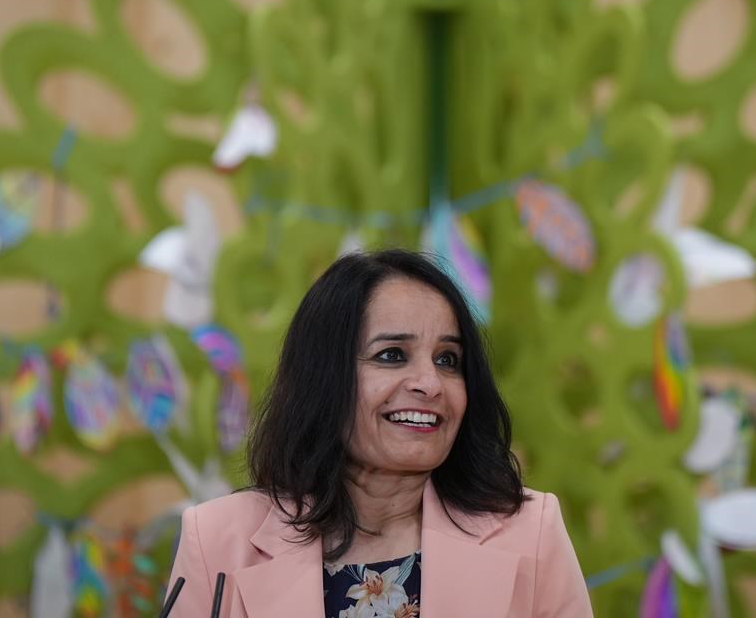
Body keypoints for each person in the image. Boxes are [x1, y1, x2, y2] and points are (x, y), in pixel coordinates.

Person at [165, 250, 592, 617]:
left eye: (448, 360)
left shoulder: (531, 532)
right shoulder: (216, 540)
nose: (431, 383)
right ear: (323, 378)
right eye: (391, 355)